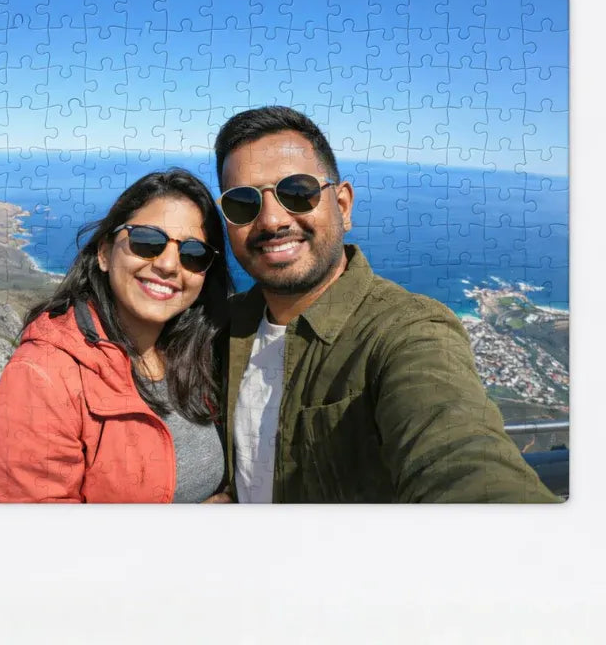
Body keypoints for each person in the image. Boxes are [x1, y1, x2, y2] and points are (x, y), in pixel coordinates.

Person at [214, 106, 559, 503]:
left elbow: (461, 459)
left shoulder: (408, 332)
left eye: (297, 192)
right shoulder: (227, 324)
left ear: (342, 206)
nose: (272, 220)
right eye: (243, 202)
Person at [0, 169, 232, 503]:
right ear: (104, 253)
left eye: (194, 254)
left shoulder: (200, 352)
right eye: (147, 241)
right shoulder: (43, 374)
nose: (170, 265)